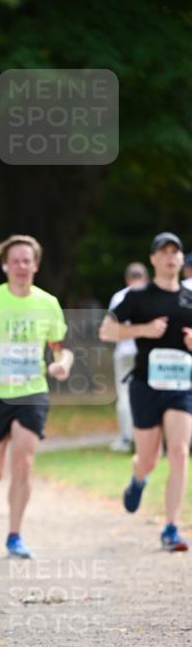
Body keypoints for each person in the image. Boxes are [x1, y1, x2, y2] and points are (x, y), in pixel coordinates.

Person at [0, 235, 73, 559]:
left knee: (24, 462)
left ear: (36, 265)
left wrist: (62, 364)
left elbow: (61, 348)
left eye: (27, 260)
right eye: (15, 260)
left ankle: (15, 535)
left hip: (32, 392)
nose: (21, 266)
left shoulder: (48, 303)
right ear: (5, 266)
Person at [99, 232, 192, 551]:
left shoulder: (190, 297)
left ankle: (171, 528)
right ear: (153, 259)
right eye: (163, 252)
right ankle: (138, 478)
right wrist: (144, 329)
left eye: (175, 252)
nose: (170, 257)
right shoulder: (138, 296)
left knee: (179, 451)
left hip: (181, 386)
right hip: (145, 386)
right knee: (149, 459)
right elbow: (106, 330)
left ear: (181, 259)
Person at [107, 262, 150, 452]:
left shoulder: (119, 297)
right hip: (145, 352)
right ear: (146, 278)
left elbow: (111, 327)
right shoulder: (150, 295)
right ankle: (145, 436)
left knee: (124, 395)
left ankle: (127, 438)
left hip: (124, 352)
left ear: (127, 279)